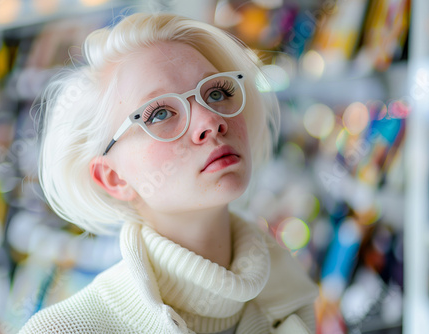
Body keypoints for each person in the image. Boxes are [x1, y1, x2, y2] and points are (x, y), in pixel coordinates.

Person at [19, 12, 318, 334]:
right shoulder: (65, 329)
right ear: (113, 178)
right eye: (160, 113)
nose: (211, 121)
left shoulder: (292, 294)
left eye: (216, 93)